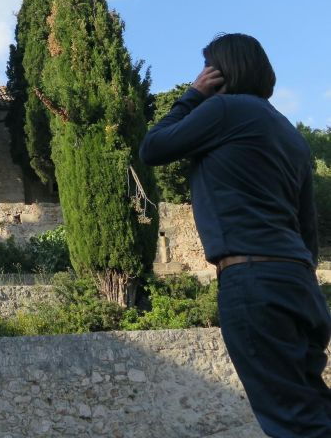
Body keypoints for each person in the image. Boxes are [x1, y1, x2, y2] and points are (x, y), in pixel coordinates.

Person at [140, 33, 331, 437]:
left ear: (219, 74)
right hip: (299, 284)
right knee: (313, 407)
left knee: (294, 422)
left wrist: (191, 95)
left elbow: (153, 147)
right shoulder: (289, 133)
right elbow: (306, 227)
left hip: (253, 280)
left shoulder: (225, 110)